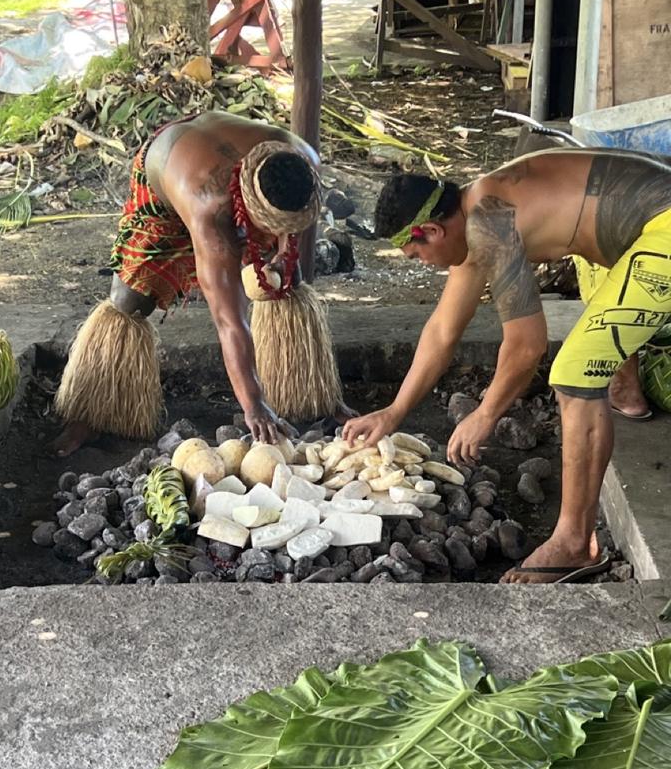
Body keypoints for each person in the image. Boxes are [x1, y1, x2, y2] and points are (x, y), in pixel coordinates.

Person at [342, 149, 671, 583]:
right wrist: (393, 412)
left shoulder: (489, 224)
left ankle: (576, 543)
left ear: (433, 231)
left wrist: (485, 414)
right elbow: (441, 331)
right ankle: (624, 390)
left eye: (415, 256)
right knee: (592, 267)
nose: (422, 265)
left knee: (573, 374)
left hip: (663, 228)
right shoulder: (478, 212)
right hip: (644, 224)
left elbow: (526, 344)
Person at [54, 111, 350, 456]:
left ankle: (313, 399)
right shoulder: (210, 207)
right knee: (129, 301)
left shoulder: (304, 160)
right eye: (268, 226)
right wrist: (253, 405)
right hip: (167, 174)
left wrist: (284, 249)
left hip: (220, 158)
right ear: (245, 209)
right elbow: (229, 321)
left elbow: (294, 220)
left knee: (285, 280)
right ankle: (89, 416)